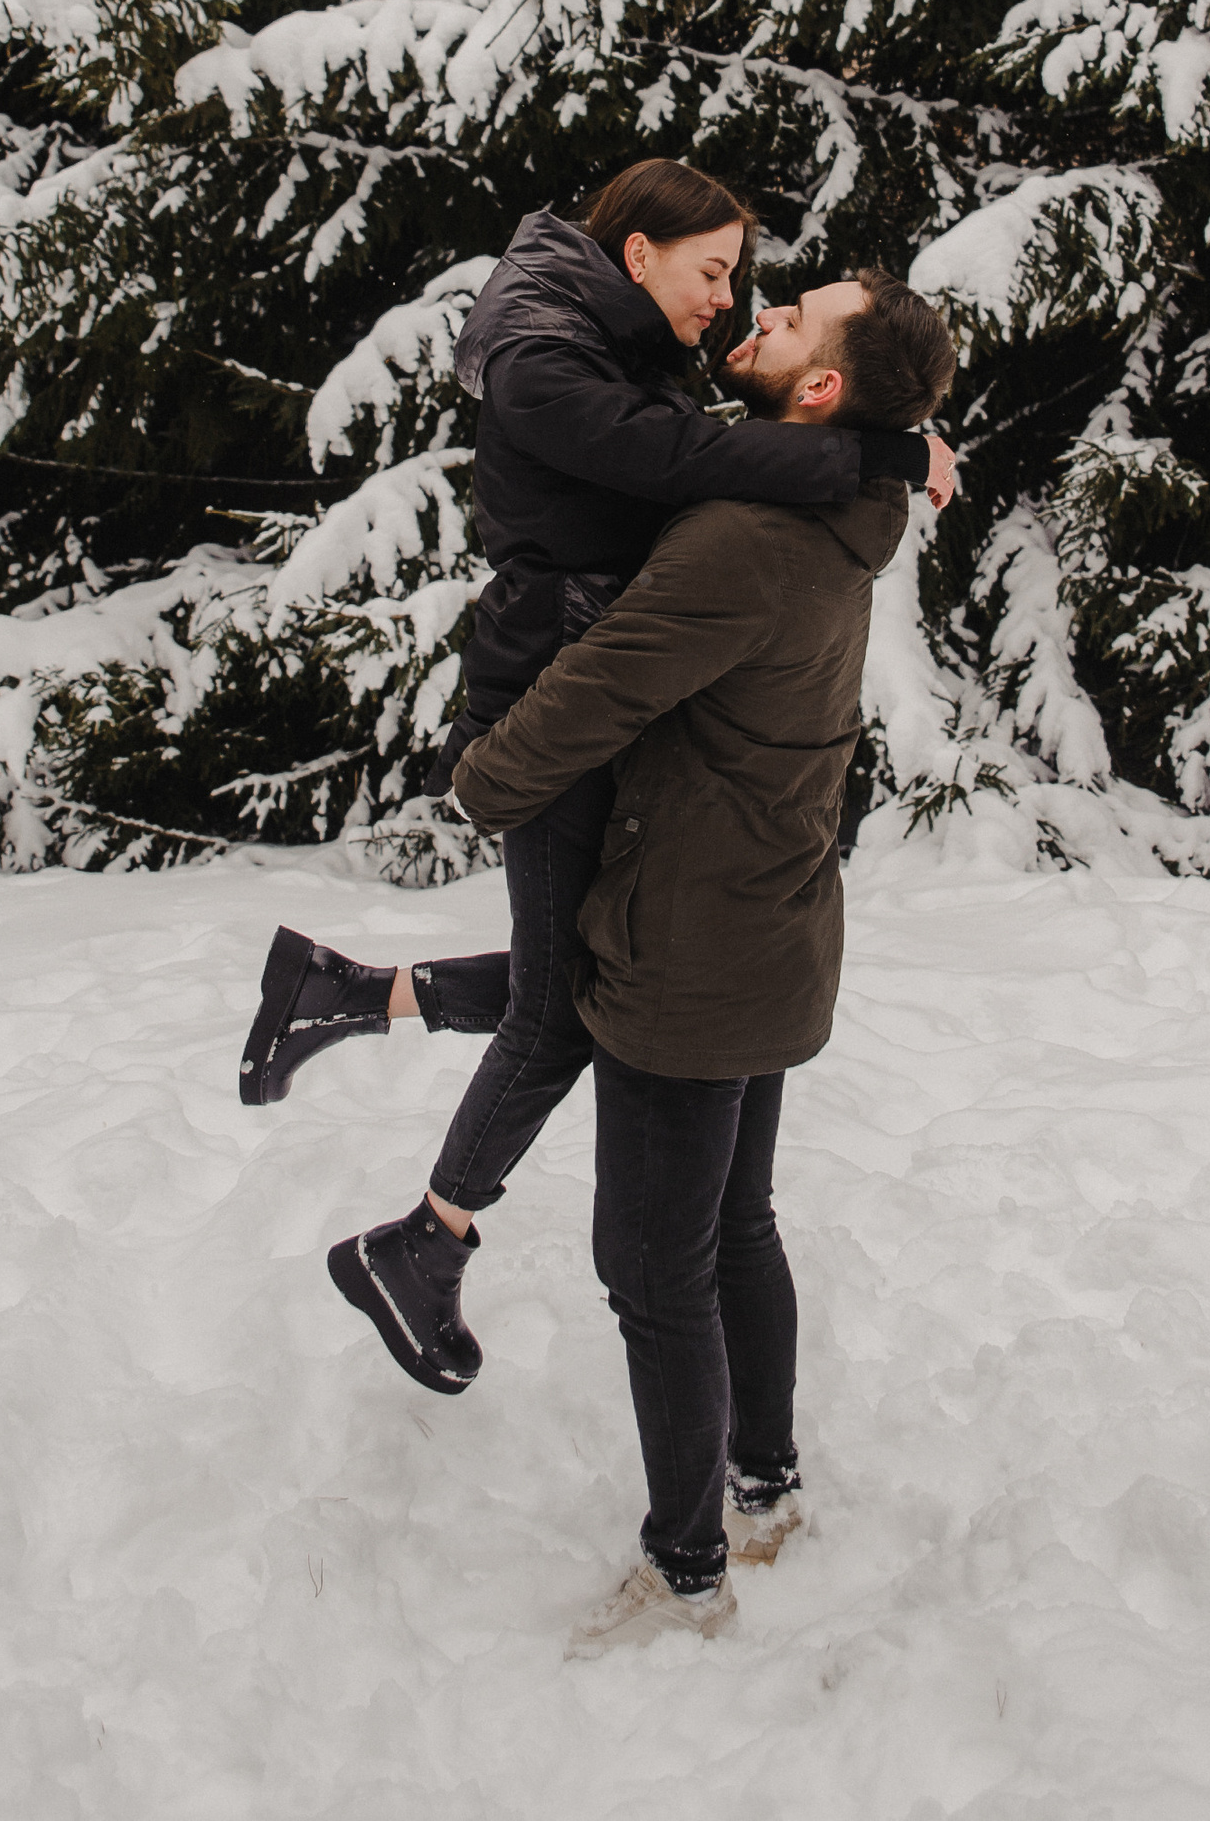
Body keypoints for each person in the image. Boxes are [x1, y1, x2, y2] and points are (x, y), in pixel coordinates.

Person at [235, 162, 956, 1400]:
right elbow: (678, 461)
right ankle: (422, 1236)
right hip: (548, 695)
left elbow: (711, 451)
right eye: (716, 274)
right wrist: (868, 454)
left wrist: (866, 438)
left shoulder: (609, 327)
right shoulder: (544, 354)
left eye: (745, 282)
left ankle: (349, 1009)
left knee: (604, 971)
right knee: (570, 1000)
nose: (733, 303)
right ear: (638, 256)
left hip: (585, 679)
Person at [450, 266, 958, 1654]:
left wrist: (482, 784)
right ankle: (767, 1486)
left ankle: (688, 1574)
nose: (763, 309)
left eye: (792, 319)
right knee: (734, 1227)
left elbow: (602, 685)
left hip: (690, 945)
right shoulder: (846, 501)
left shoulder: (745, 535)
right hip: (768, 924)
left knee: (652, 1267)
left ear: (818, 393)